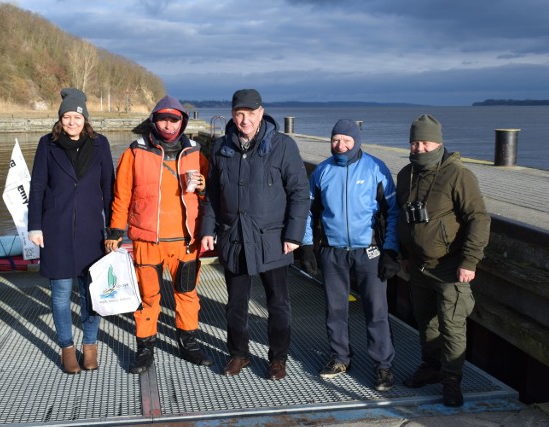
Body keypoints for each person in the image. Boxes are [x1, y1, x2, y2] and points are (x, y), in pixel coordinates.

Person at [201, 89, 310, 381]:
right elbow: (212, 193)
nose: (244, 119)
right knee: (235, 302)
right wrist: (208, 230)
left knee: (278, 302)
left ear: (261, 113)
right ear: (233, 115)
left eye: (250, 113)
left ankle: (278, 358)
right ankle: (238, 354)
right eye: (239, 113)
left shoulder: (282, 146)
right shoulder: (221, 147)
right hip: (233, 237)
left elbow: (300, 192)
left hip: (272, 239)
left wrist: (294, 234)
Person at [105, 95, 212, 374]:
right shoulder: (134, 153)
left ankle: (189, 344)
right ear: (154, 121)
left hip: (185, 240)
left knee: (187, 293)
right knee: (147, 296)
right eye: (163, 118)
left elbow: (211, 196)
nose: (168, 124)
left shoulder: (197, 154)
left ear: (182, 122)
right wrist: (115, 231)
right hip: (146, 239)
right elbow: (121, 195)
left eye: (174, 119)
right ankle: (145, 348)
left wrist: (203, 187)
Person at [298, 119, 400, 391]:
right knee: (335, 310)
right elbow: (307, 211)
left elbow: (393, 212)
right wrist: (307, 245)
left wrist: (391, 250)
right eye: (335, 140)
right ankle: (340, 357)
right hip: (333, 251)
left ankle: (383, 366)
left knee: (376, 310)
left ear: (357, 141)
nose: (340, 145)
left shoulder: (376, 169)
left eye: (346, 140)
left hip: (369, 251)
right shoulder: (322, 172)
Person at [396, 114, 490, 407]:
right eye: (414, 142)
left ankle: (451, 379)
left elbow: (478, 218)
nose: (419, 148)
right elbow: (401, 217)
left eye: (425, 142)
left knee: (453, 325)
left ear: (438, 142)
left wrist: (470, 261)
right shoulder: (405, 174)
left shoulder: (458, 175)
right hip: (419, 265)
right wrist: (404, 255)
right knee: (427, 322)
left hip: (450, 266)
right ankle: (431, 367)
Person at [28, 88, 114, 374]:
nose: (72, 121)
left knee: (91, 294)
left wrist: (114, 230)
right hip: (56, 229)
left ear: (85, 118)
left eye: (77, 116)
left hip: (91, 231)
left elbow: (109, 189)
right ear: (60, 119)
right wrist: (35, 226)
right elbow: (37, 186)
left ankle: (90, 346)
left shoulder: (100, 144)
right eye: (67, 116)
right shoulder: (47, 144)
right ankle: (67, 348)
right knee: (61, 294)